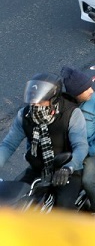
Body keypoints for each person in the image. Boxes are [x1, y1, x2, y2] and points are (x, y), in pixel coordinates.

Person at [0, 73, 87, 208]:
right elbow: (8, 144)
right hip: (38, 169)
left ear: (53, 100)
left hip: (66, 171)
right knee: (12, 202)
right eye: (32, 101)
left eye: (40, 102)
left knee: (62, 210)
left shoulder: (72, 114)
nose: (35, 105)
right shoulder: (25, 115)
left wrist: (69, 167)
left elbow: (80, 146)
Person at [58, 66, 95, 218]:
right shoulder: (63, 105)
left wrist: (88, 151)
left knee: (88, 180)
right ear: (75, 94)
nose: (91, 90)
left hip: (91, 152)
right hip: (66, 151)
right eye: (86, 89)